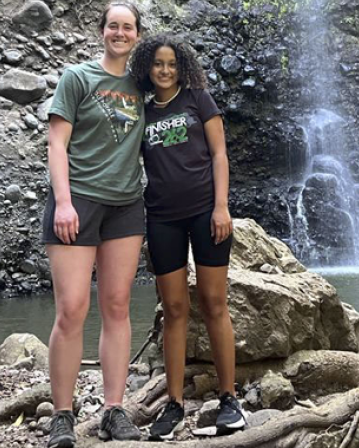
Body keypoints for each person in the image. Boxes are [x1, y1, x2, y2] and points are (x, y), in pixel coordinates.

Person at [130, 34, 246, 441]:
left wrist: (221, 206)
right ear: (147, 68)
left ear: (183, 68)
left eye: (172, 64)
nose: (165, 70)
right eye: (158, 64)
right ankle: (175, 405)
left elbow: (219, 154)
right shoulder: (142, 113)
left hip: (204, 213)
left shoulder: (199, 99)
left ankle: (230, 400)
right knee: (174, 309)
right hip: (162, 218)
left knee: (214, 303)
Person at [42, 2, 146, 446]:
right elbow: (56, 142)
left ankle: (113, 409)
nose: (120, 33)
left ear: (137, 35)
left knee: (118, 306)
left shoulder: (145, 85)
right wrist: (63, 202)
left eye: (128, 27)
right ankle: (62, 416)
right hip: (78, 200)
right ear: (101, 31)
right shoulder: (78, 78)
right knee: (72, 309)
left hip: (126, 205)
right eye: (113, 26)